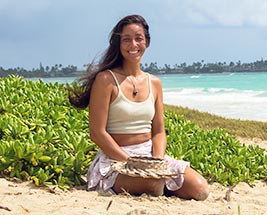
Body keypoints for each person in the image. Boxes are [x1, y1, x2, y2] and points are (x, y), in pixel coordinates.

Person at [68, 15, 209, 200]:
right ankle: (152, 185)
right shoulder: (106, 80)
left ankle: (157, 184)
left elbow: (158, 131)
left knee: (200, 189)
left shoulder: (155, 83)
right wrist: (130, 162)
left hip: (150, 157)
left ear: (146, 42)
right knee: (152, 183)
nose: (133, 45)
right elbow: (97, 133)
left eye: (138, 38)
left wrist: (157, 160)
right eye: (126, 39)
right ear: (118, 44)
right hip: (116, 158)